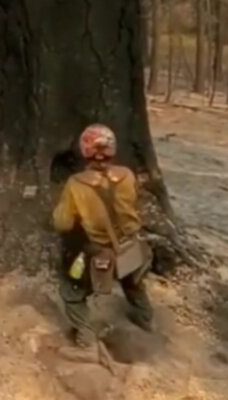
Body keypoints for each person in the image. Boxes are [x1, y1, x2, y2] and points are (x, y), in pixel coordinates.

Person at [52, 123, 154, 348]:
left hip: (101, 255)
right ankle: (146, 322)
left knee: (71, 292)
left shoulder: (76, 184)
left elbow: (63, 223)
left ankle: (87, 339)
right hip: (132, 249)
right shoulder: (127, 175)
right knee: (133, 283)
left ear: (84, 150)